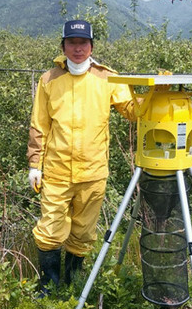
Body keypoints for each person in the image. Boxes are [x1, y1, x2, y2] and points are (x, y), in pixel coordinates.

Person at [27, 19, 137, 294]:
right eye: (72, 43)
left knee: (83, 232)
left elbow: (133, 109)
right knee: (50, 229)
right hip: (56, 170)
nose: (78, 49)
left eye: (83, 43)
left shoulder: (107, 77)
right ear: (63, 46)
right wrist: (34, 165)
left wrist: (160, 93)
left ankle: (74, 285)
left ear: (92, 46)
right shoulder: (49, 79)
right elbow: (39, 125)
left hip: (93, 171)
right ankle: (49, 287)